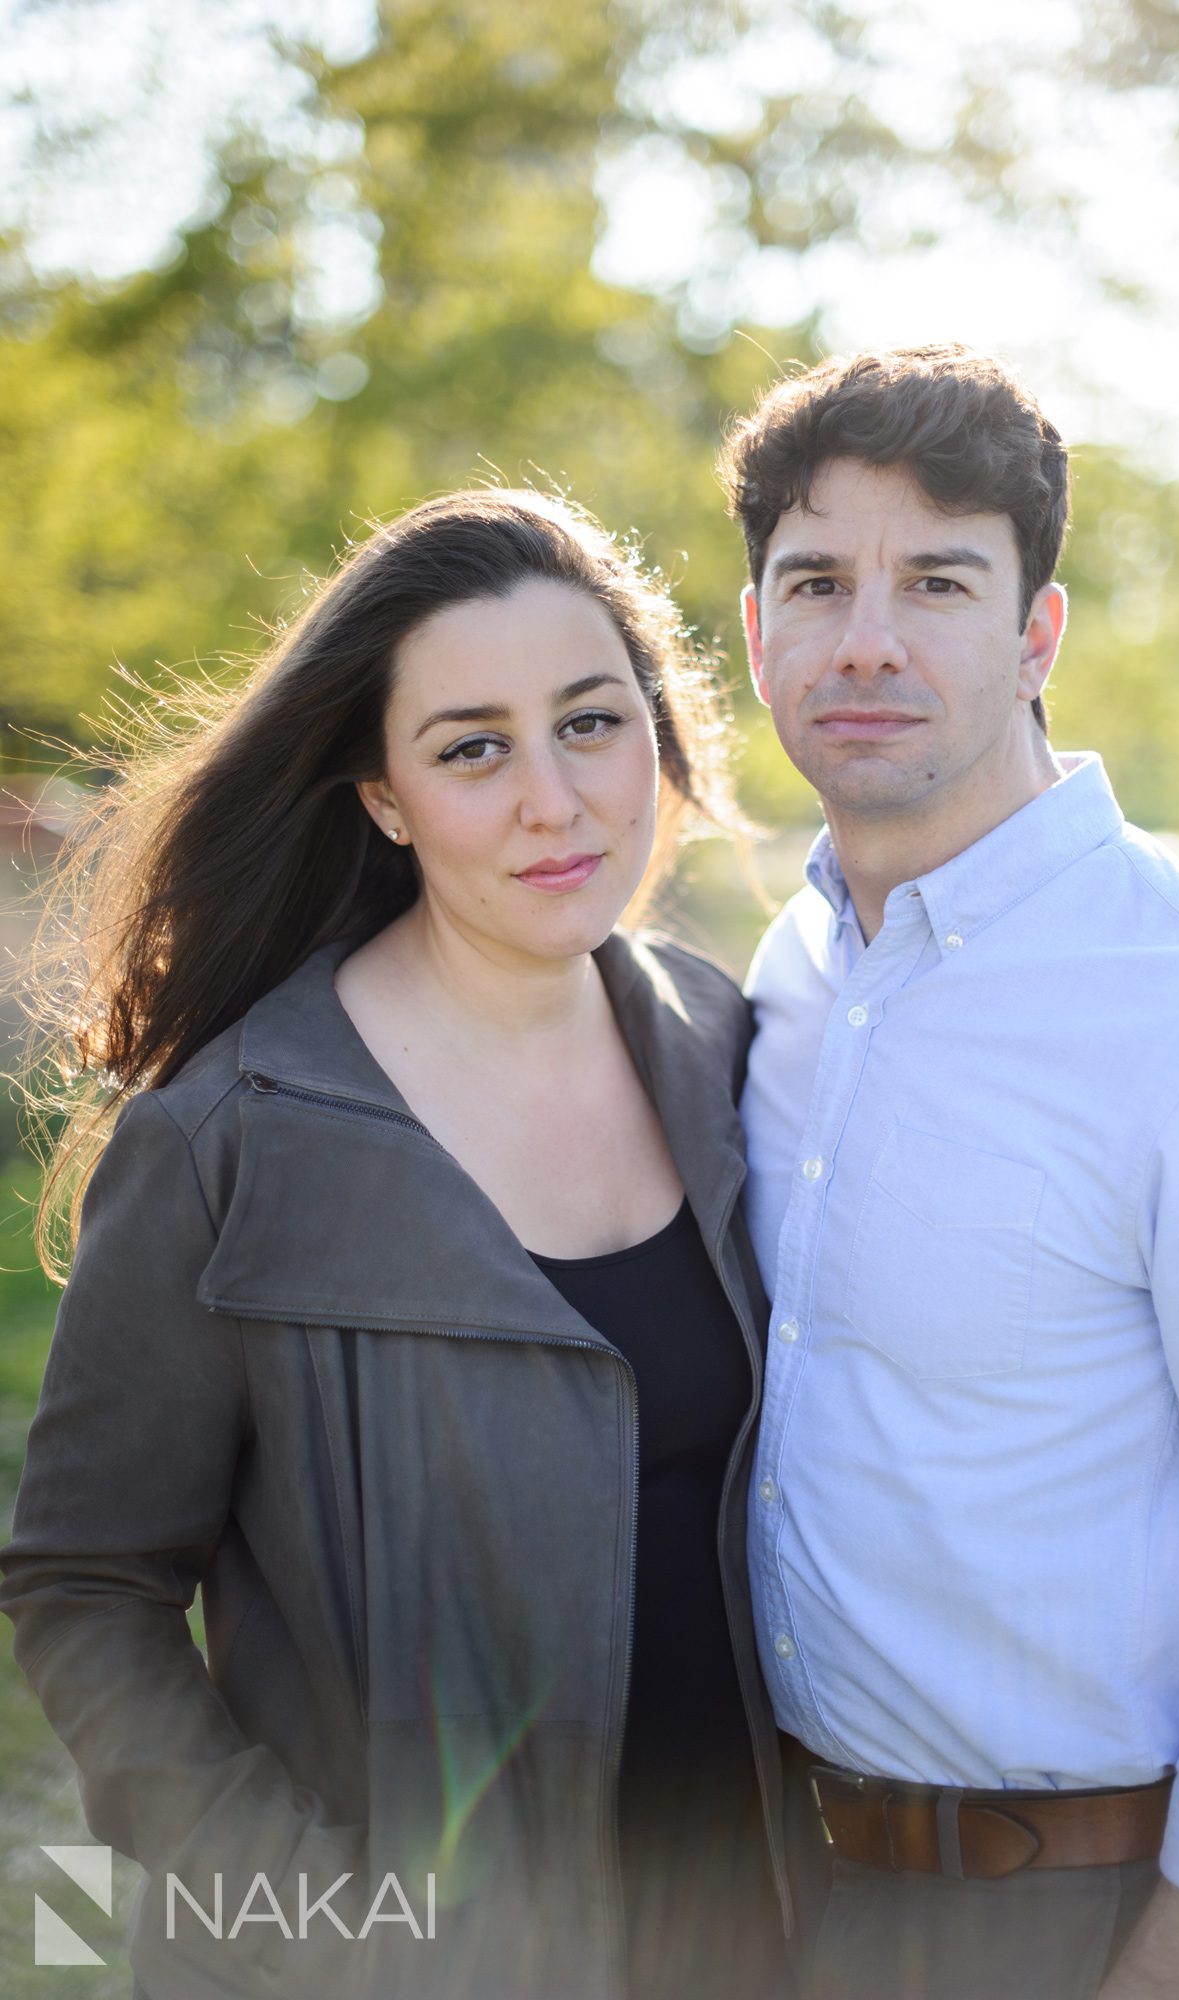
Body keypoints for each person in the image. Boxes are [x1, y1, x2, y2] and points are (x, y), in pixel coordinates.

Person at [0, 489, 792, 2000]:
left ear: (660, 733)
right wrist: (313, 1924)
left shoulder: (727, 1052)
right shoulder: (230, 1139)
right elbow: (86, 1589)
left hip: (746, 1938)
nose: (554, 802)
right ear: (383, 797)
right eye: (472, 749)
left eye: (592, 723)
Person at [719, 344, 1179, 2000]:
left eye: (937, 581)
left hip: (1100, 1919)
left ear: (1037, 632)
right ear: (756, 626)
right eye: (816, 581)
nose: (867, 639)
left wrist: (1177, 1973)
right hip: (784, 1890)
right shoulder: (783, 981)